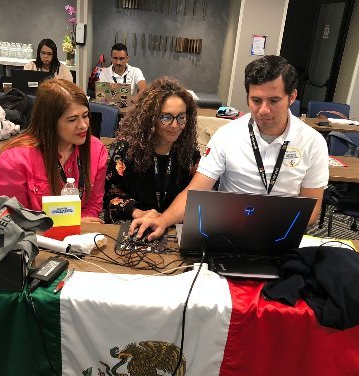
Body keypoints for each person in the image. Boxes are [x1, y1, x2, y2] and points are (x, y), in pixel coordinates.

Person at [131, 55, 329, 240]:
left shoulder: (313, 142)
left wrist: (268, 227)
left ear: (292, 96)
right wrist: (163, 221)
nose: (264, 110)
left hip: (283, 232)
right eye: (256, 100)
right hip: (231, 231)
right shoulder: (227, 135)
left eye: (274, 100)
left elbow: (311, 210)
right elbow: (195, 190)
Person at [0, 79, 108, 223]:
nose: (83, 126)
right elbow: (11, 220)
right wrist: (69, 222)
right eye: (72, 120)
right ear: (49, 122)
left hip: (80, 239)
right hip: (32, 241)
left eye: (85, 115)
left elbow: (93, 206)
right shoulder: (13, 161)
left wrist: (75, 224)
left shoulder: (96, 150)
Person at [104, 76, 200, 223]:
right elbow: (111, 195)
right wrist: (137, 213)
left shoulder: (189, 152)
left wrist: (169, 218)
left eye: (181, 117)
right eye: (166, 117)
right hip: (133, 223)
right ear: (151, 118)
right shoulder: (126, 149)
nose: (175, 125)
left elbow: (196, 198)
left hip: (174, 225)